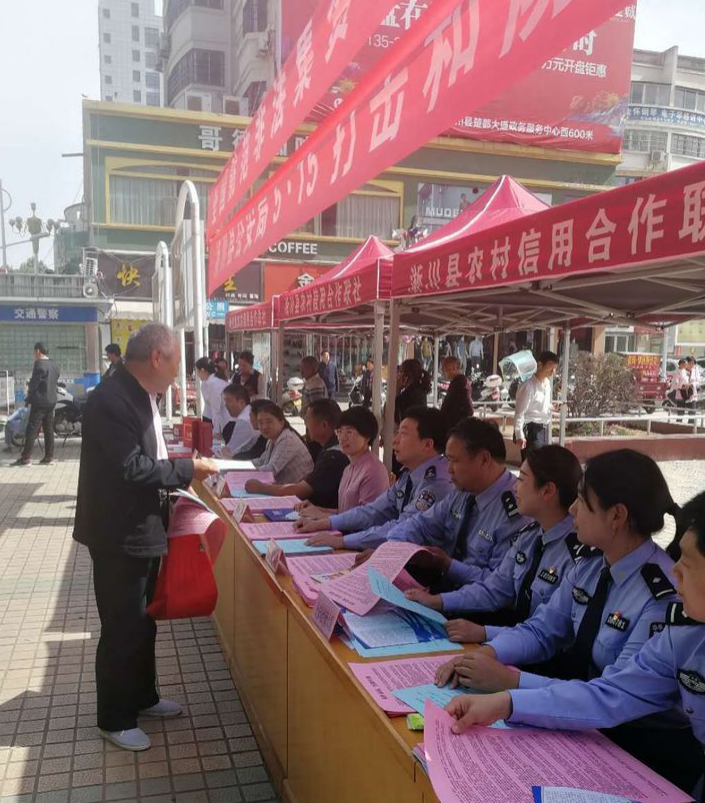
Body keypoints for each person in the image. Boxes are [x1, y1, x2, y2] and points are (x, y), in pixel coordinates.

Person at [445, 491, 705, 800]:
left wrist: (510, 683)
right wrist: (507, 703)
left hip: (649, 747)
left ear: (617, 515)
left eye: (688, 563)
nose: (675, 572)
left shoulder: (662, 598)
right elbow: (610, 694)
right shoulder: (686, 636)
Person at [72, 324, 218, 751]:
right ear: (157, 357)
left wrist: (179, 470)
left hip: (145, 526)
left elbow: (150, 455)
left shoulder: (139, 393)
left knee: (144, 620)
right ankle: (114, 718)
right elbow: (131, 467)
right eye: (175, 363)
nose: (177, 374)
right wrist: (188, 470)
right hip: (120, 532)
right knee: (122, 625)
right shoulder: (110, 399)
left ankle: (142, 696)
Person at [404, 445, 586, 634]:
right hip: (514, 638)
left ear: (547, 491)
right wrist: (437, 601)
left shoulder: (577, 556)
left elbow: (551, 633)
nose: (515, 487)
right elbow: (495, 589)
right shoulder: (529, 537)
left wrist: (485, 633)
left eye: (521, 479)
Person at [371, 418, 531, 589]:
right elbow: (419, 524)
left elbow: (498, 586)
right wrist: (391, 550)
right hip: (441, 591)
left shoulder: (517, 512)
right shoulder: (462, 492)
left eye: (454, 461)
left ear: (484, 460)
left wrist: (447, 566)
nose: (448, 469)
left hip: (473, 601)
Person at [299, 407, 452, 550]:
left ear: (427, 444)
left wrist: (343, 541)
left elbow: (402, 528)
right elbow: (373, 510)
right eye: (339, 431)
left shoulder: (436, 484)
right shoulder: (409, 475)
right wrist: (327, 523)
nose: (394, 440)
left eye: (403, 434)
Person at [244, 399, 349, 509]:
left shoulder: (333, 456)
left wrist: (261, 488)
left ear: (324, 425)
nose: (305, 425)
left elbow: (300, 490)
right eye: (260, 422)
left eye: (307, 420)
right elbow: (261, 462)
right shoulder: (328, 449)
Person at [297, 406, 390, 519]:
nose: (342, 438)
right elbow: (344, 512)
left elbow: (367, 519)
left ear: (367, 436)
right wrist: (316, 509)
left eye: (349, 432)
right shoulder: (349, 468)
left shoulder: (373, 471)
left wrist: (323, 516)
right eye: (339, 431)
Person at [13, 342, 60, 467]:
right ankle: (48, 457)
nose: (34, 354)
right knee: (48, 429)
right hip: (51, 400)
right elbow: (55, 378)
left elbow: (34, 384)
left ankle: (26, 458)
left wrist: (29, 395)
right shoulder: (54, 364)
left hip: (40, 402)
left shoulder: (39, 363)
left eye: (34, 352)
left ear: (38, 351)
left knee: (32, 428)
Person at [245, 402, 313, 485]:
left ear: (281, 423)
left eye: (269, 422)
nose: (264, 427)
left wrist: (242, 473)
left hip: (299, 490)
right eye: (260, 423)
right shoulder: (272, 439)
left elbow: (270, 470)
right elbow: (261, 461)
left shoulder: (287, 439)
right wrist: (238, 466)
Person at [513, 350, 559, 460]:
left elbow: (541, 405)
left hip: (544, 429)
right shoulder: (528, 386)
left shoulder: (547, 384)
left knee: (542, 465)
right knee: (532, 465)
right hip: (531, 430)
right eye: (550, 367)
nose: (553, 371)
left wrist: (552, 407)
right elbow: (519, 412)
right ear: (540, 365)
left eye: (555, 368)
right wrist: (519, 434)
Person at [220, 385, 258, 457]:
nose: (225, 405)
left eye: (228, 401)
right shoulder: (248, 412)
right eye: (225, 401)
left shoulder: (244, 420)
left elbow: (230, 450)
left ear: (241, 402)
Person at [195, 357, 228, 434]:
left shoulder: (213, 383)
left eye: (197, 371)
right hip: (212, 418)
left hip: (223, 421)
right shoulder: (209, 382)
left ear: (202, 370)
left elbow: (216, 409)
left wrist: (216, 431)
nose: (197, 375)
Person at [440, 356, 473, 430]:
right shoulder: (457, 382)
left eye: (446, 370)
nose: (445, 373)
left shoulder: (461, 382)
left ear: (454, 368)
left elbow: (468, 406)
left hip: (456, 426)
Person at [687, 356, 702, 424]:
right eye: (690, 363)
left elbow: (698, 380)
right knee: (681, 411)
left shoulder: (695, 369)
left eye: (693, 363)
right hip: (684, 392)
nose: (692, 365)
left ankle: (691, 424)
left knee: (692, 410)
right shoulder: (685, 369)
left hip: (692, 392)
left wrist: (693, 383)